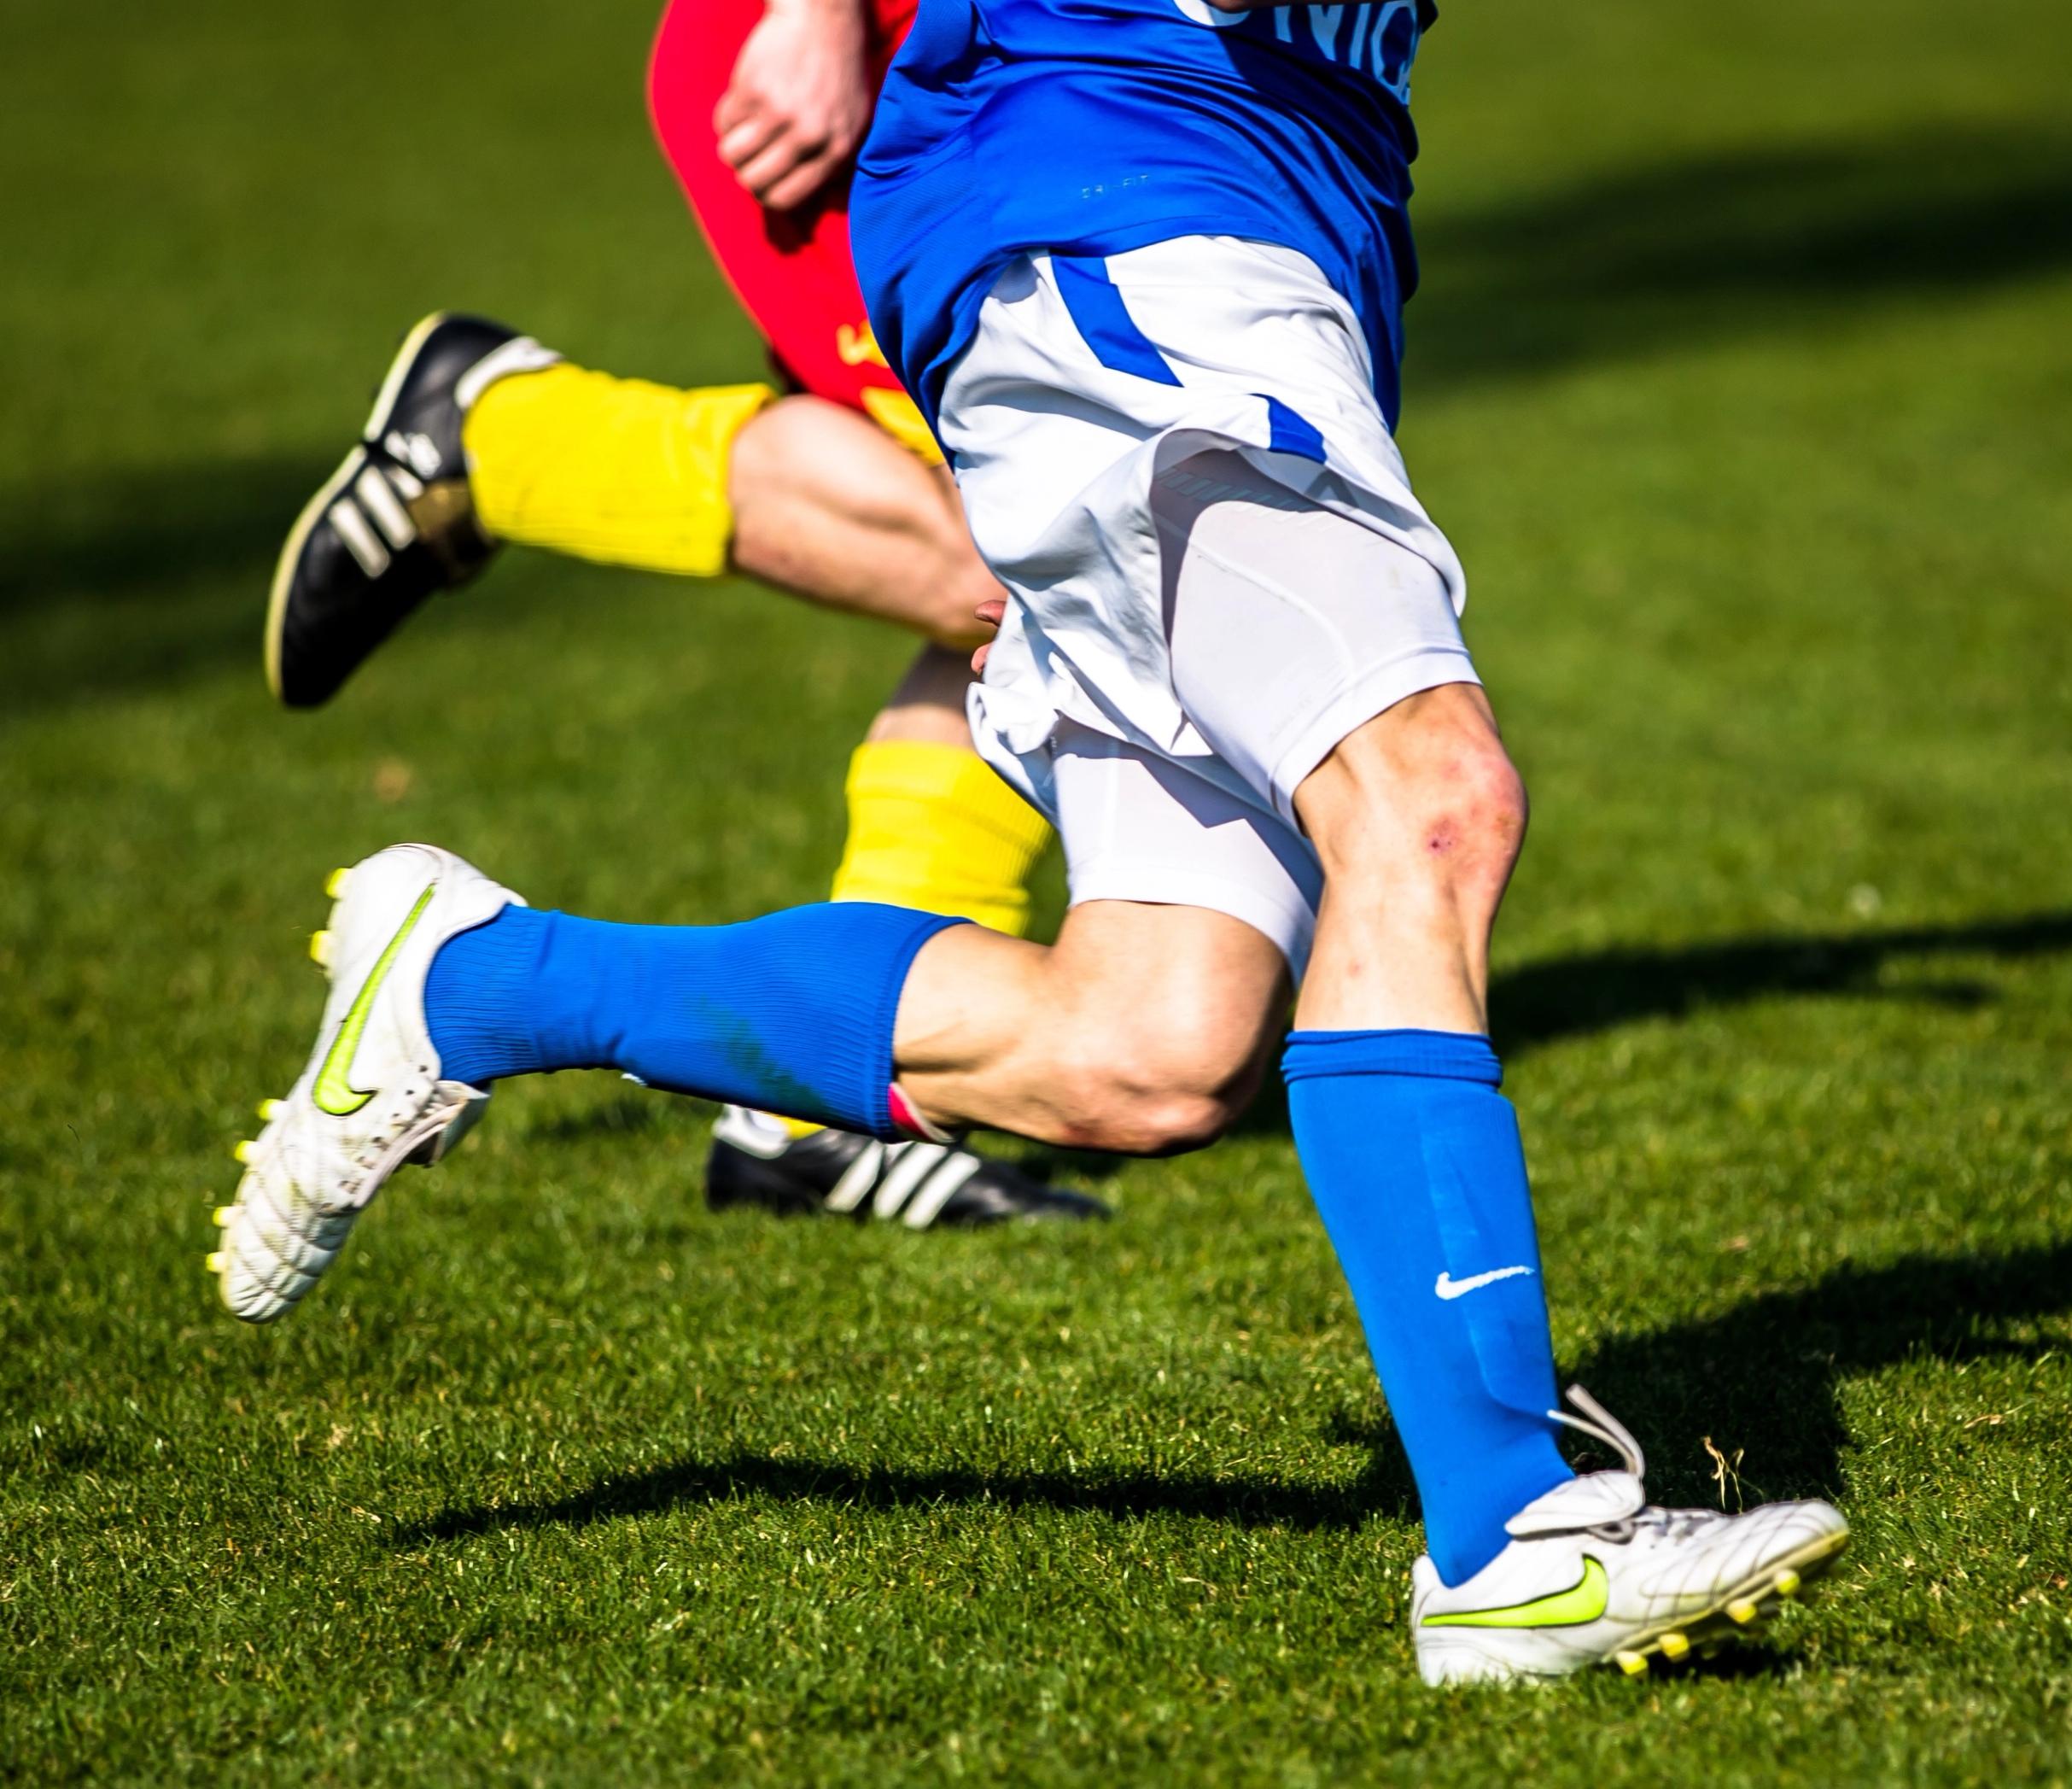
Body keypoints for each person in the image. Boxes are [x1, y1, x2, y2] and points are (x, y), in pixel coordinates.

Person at [213, 0, 1847, 1685]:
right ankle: (1512, 1535)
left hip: (1265, 224)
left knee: (1151, 1045)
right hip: (1123, 193)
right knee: (1427, 798)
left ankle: (477, 985)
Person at [262, 0, 1091, 1229]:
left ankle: (821, 1110)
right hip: (856, 63)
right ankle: (506, 440)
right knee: (1045, 563)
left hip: (1026, 85)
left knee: (1067, 558)